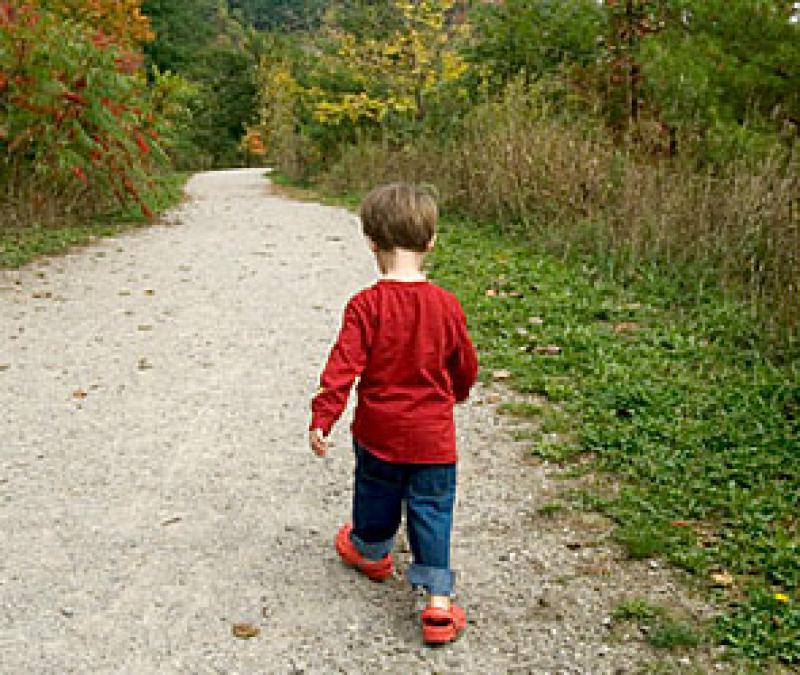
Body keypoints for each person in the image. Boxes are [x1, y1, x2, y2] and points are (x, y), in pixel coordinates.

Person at [308, 183, 478, 645]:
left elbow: (342, 367)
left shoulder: (365, 306)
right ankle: (438, 605)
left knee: (376, 492)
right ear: (430, 242)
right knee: (432, 508)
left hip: (378, 432)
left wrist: (324, 416)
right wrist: (457, 393)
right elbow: (463, 364)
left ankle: (371, 550)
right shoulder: (447, 306)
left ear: (370, 241)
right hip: (433, 438)